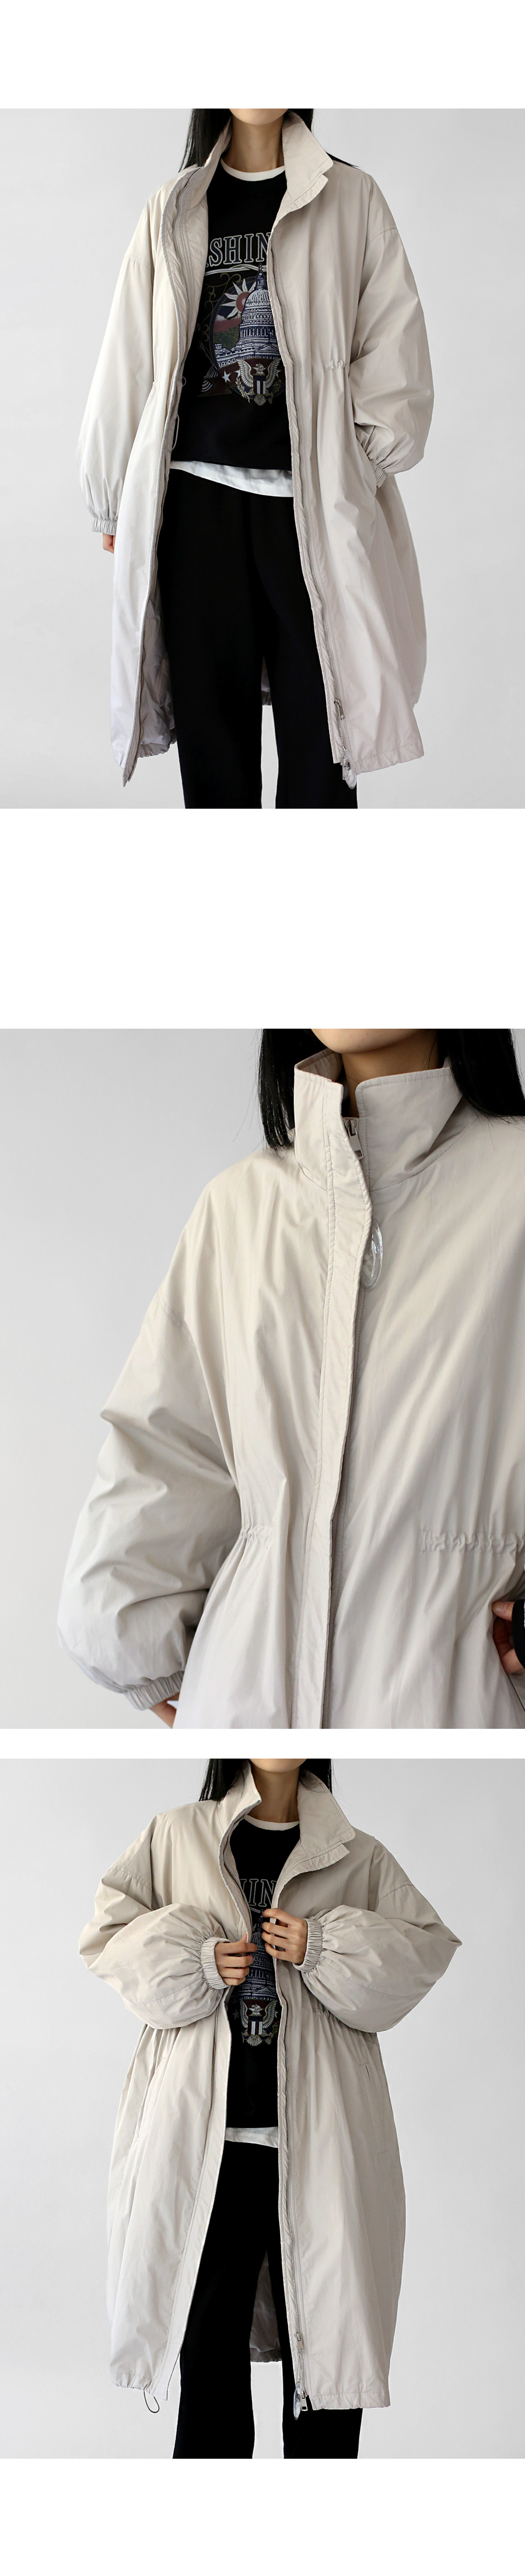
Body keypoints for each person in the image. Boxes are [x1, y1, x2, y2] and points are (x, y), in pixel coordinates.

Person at [58, 1028, 525, 1731]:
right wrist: (140, 1643)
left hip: (456, 1718)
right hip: (242, 1702)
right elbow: (168, 1453)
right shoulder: (239, 1207)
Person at [79, 1757, 459, 2457]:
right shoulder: (177, 1836)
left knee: (328, 2376)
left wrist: (324, 1946)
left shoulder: (357, 1854)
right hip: (204, 2153)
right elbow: (107, 1940)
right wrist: (196, 1958)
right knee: (207, 2375)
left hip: (320, 2151)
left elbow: (424, 1952)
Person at [76, 110, 433, 808]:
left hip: (311, 514)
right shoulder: (174, 206)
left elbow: (397, 356)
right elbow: (130, 357)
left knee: (325, 760)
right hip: (196, 513)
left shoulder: (351, 198)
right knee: (216, 772)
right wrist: (112, 496)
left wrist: (352, 465)